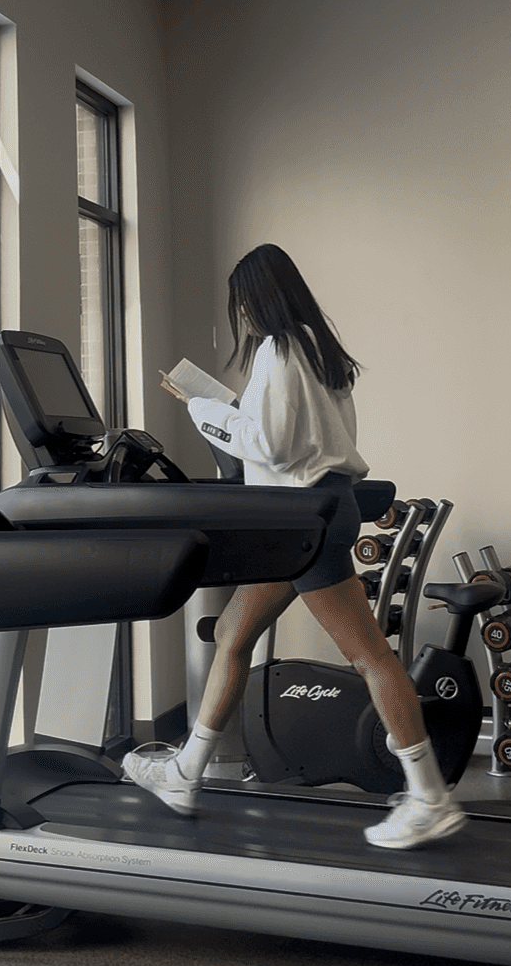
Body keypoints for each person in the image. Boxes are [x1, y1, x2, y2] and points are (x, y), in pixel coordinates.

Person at [122, 244, 465, 849]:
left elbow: (272, 446)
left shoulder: (281, 348)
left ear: (257, 299)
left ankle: (428, 796)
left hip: (301, 520)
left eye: (243, 304)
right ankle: (185, 773)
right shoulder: (316, 348)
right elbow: (288, 434)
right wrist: (230, 410)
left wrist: (202, 407)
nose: (243, 316)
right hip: (309, 512)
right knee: (234, 635)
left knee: (370, 657)